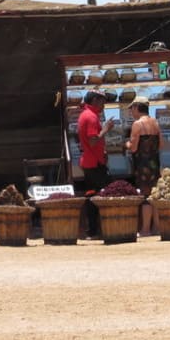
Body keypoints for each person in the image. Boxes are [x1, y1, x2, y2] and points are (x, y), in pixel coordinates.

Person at [78, 90, 115, 237]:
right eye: (102, 101)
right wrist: (105, 129)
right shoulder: (91, 117)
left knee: (92, 196)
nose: (103, 105)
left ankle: (92, 230)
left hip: (90, 162)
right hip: (95, 164)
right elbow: (93, 141)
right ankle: (109, 228)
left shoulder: (85, 115)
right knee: (108, 193)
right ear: (94, 100)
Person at [125, 97, 163, 236]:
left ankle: (146, 229)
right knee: (155, 195)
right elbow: (161, 145)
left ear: (136, 107)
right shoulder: (155, 122)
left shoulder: (137, 124)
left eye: (132, 109)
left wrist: (127, 144)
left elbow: (133, 148)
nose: (131, 112)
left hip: (142, 164)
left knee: (146, 195)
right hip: (154, 163)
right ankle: (157, 228)